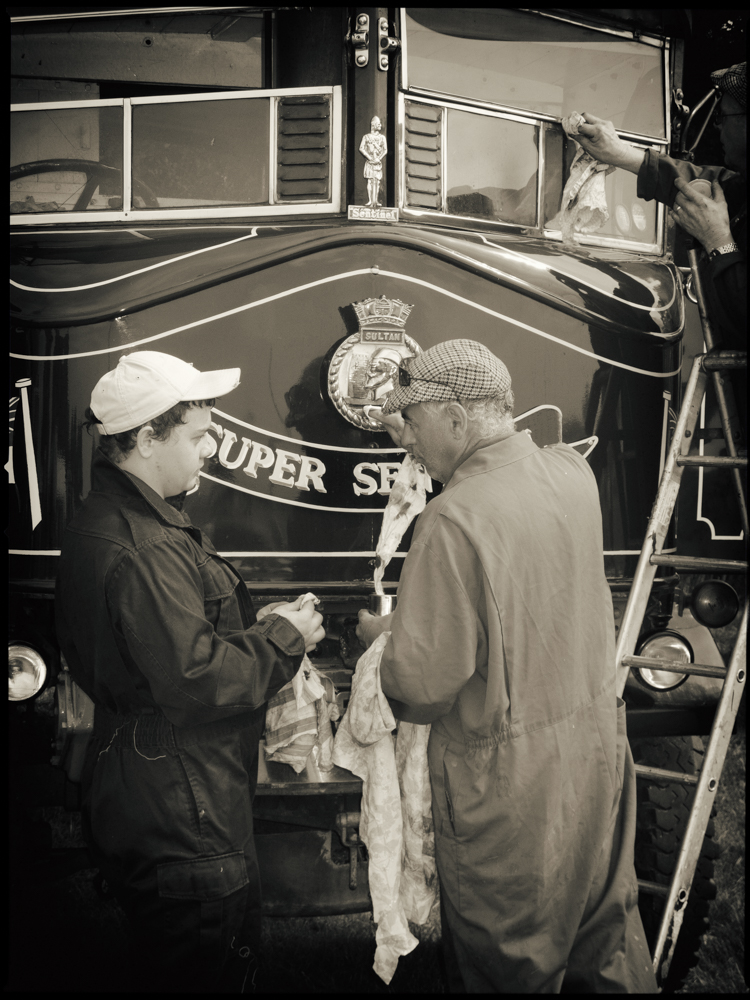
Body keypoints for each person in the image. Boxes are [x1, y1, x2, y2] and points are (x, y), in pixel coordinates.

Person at [357, 339, 657, 993]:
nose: (406, 441)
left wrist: (387, 636)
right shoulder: (571, 474)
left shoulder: (450, 521)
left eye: (414, 424)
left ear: (460, 421)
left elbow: (421, 687)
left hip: (508, 788)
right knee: (603, 946)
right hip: (597, 757)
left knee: (510, 966)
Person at [55, 350, 324, 993]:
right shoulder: (144, 545)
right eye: (198, 437)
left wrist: (256, 629)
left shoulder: (115, 522)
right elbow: (193, 678)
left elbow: (168, 650)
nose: (206, 453)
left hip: (151, 779)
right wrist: (285, 639)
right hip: (183, 800)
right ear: (147, 438)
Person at [574, 61, 746, 427]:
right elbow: (697, 180)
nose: (718, 125)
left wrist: (719, 243)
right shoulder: (740, 187)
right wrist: (618, 152)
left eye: (725, 115)